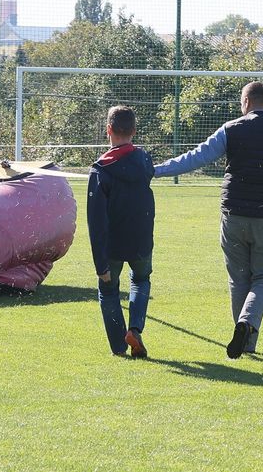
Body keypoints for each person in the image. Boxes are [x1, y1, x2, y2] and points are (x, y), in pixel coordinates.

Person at [153, 82, 263, 359]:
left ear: (245, 103)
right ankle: (246, 325)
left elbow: (196, 157)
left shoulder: (231, 129)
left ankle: (246, 341)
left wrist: (156, 170)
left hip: (234, 216)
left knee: (238, 279)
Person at [88, 106, 156, 358]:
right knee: (140, 280)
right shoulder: (145, 160)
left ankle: (119, 346)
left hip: (112, 243)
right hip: (141, 238)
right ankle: (135, 329)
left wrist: (100, 264)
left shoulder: (101, 170)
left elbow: (95, 221)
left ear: (108, 130)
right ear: (134, 131)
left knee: (108, 289)